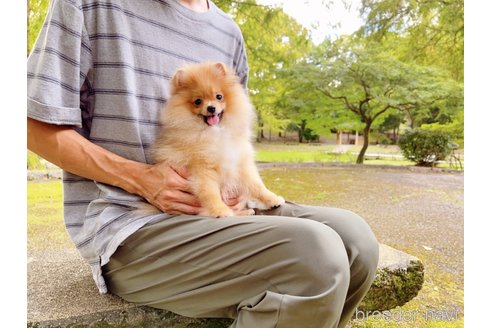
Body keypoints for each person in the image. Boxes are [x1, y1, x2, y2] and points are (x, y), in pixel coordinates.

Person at [27, 0, 379, 327]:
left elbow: (231, 135)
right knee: (315, 257)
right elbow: (30, 126)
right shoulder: (90, 5)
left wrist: (238, 189)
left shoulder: (228, 31)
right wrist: (141, 178)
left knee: (356, 241)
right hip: (131, 223)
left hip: (219, 207)